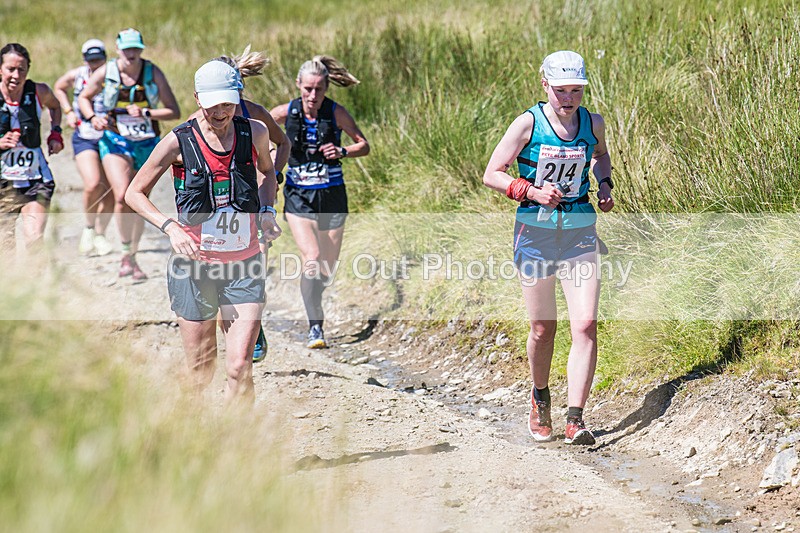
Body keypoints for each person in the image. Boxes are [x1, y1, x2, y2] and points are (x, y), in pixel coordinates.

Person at [125, 60, 281, 403]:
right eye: (214, 105)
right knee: (200, 370)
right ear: (198, 99)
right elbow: (133, 192)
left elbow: (268, 173)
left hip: (244, 265)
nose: (222, 112)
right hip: (194, 268)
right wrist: (170, 228)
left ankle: (239, 450)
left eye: (228, 103)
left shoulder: (254, 131)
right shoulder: (177, 141)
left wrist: (267, 210)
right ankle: (186, 440)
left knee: (240, 367)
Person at [483, 51, 615, 445]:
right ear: (545, 86)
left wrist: (605, 185)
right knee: (543, 327)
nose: (568, 98)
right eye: (561, 91)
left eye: (576, 90)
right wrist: (532, 192)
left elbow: (601, 156)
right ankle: (540, 397)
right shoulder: (528, 123)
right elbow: (492, 173)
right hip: (535, 234)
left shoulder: (592, 123)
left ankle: (576, 418)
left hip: (579, 232)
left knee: (586, 323)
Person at [189, 47, 290, 363]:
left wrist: (274, 172)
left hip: (254, 205)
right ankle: (238, 332)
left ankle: (250, 329)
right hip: (217, 211)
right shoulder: (200, 119)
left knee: (253, 269)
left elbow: (283, 142)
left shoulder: (255, 113)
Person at [270, 55, 369, 349]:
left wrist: (342, 151)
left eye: (319, 90)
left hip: (332, 194)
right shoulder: (285, 112)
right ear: (298, 85)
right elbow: (256, 129)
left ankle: (315, 295)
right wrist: (268, 162)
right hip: (298, 194)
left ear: (326, 88)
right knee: (311, 257)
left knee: (327, 265)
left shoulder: (336, 112)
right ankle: (316, 327)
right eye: (308, 89)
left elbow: (363, 145)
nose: (313, 96)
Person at [78, 28, 180, 280]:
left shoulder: (152, 72)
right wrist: (93, 117)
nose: (132, 54)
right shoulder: (106, 71)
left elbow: (173, 111)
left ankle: (132, 255)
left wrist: (146, 113)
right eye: (127, 49)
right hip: (115, 141)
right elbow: (84, 97)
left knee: (140, 200)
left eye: (136, 49)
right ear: (118, 49)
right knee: (123, 195)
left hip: (147, 143)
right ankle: (125, 254)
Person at [0, 43, 64, 250]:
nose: (16, 75)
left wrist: (55, 133)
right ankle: (14, 283)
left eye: (22, 69)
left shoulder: (39, 91)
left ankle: (38, 282)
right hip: (3, 182)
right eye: (11, 69)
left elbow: (55, 106)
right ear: (0, 69)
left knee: (34, 238)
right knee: (5, 243)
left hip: (35, 179)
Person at [53, 39, 114, 256]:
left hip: (111, 138)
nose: (95, 64)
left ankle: (100, 234)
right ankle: (88, 228)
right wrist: (69, 111)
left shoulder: (114, 75)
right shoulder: (77, 75)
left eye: (99, 60)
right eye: (91, 60)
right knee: (92, 183)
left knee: (110, 189)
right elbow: (58, 87)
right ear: (85, 60)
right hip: (85, 137)